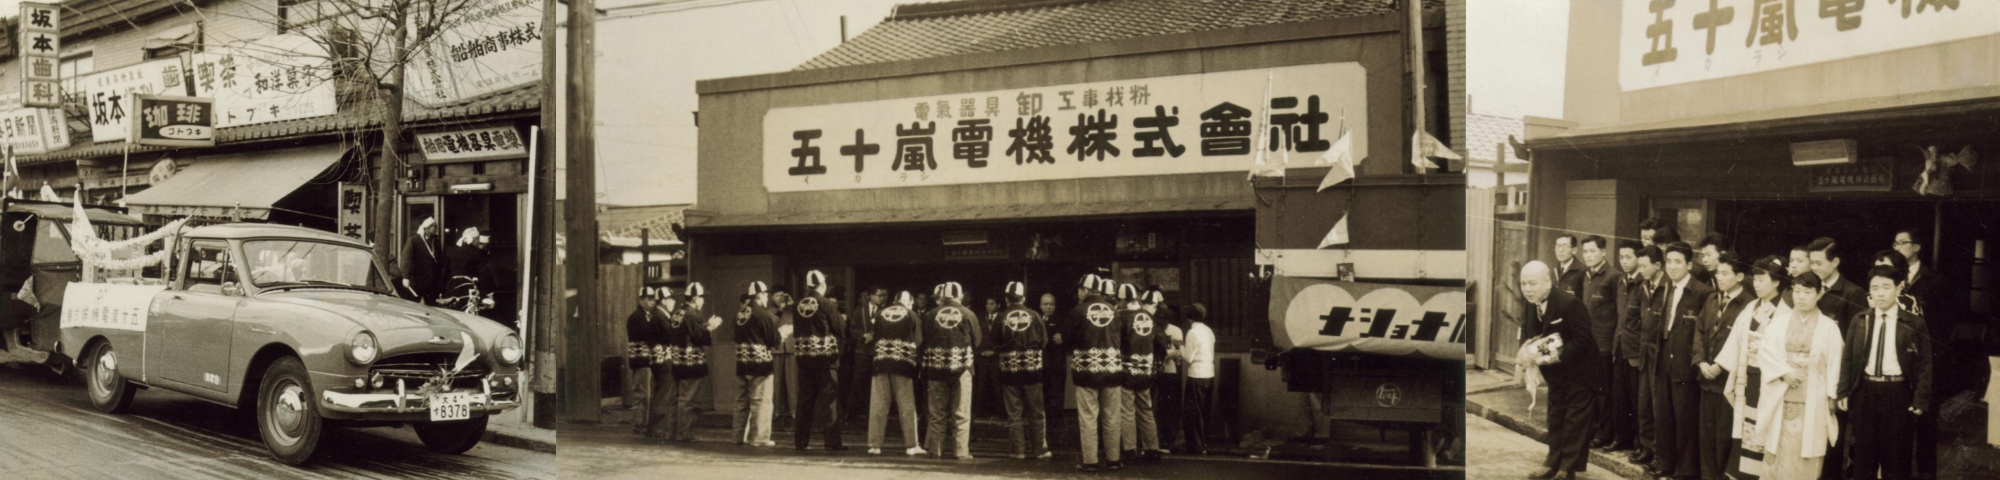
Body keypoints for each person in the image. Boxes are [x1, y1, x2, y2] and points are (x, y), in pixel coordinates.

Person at [1838, 265, 1933, 480]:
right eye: (1875, 288)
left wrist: (1920, 398)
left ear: (1899, 289)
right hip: (1865, 392)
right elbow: (1848, 359)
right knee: (1863, 457)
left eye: (1886, 287)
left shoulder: (1914, 323)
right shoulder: (1860, 320)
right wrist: (1843, 391)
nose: (1880, 293)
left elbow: (1925, 364)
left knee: (1897, 458)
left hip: (1897, 393)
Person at [1748, 271, 1844, 479]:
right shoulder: (1779, 323)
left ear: (1819, 294)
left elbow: (1836, 362)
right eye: (1797, 291)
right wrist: (1784, 372)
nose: (1801, 297)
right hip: (1780, 394)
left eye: (1807, 292)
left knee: (1807, 451)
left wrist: (1832, 395)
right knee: (1777, 449)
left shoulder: (1829, 327)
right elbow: (1765, 352)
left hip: (1814, 397)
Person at [1520, 260, 1597, 480]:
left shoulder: (1570, 304)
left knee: (1574, 421)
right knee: (1555, 417)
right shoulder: (1531, 303)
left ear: (1548, 282)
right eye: (1523, 284)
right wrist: (1527, 356)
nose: (1527, 289)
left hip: (1580, 372)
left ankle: (1567, 469)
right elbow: (1530, 334)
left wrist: (1556, 356)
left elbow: (1583, 339)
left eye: (1532, 283)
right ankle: (1552, 463)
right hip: (1555, 374)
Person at [1715, 256, 1791, 479]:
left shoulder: (1785, 312)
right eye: (1755, 280)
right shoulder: (1751, 307)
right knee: (1745, 427)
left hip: (1767, 379)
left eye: (1761, 279)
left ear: (1776, 282)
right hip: (1747, 376)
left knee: (1763, 427)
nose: (1756, 284)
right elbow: (1736, 341)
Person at [1654, 241, 1713, 480]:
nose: (1672, 266)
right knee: (1664, 415)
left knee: (1684, 420)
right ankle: (1665, 465)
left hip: (1686, 363)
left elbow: (1704, 332)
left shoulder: (1702, 292)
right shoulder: (1666, 286)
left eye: (1678, 262)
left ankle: (1685, 472)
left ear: (1689, 265)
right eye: (1668, 261)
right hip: (1663, 358)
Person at [1693, 253, 1752, 480]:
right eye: (1718, 273)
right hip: (1706, 378)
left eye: (1725, 273)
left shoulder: (1748, 305)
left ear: (1740, 276)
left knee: (1724, 438)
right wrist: (1700, 361)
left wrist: (1720, 366)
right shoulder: (1712, 299)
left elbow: (1743, 344)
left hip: (1728, 382)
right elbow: (1699, 330)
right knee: (1706, 437)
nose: (1719, 277)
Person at [1890, 229, 1941, 480]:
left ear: (1917, 246)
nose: (1898, 247)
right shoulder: (1886, 282)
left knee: (1925, 425)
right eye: (1895, 243)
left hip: (1923, 360)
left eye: (1903, 242)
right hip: (1895, 365)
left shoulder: (1933, 280)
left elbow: (1942, 325)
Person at [1068, 275, 1125, 471]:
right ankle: (1113, 460)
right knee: (1112, 417)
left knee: (1088, 417)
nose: (1078, 293)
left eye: (1079, 290)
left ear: (1085, 290)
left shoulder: (1078, 311)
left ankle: (1090, 461)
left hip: (1086, 372)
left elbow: (1068, 338)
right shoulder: (1114, 311)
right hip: (1112, 370)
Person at [993, 282, 1051, 460]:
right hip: (1033, 371)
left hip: (1009, 371)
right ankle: (1040, 450)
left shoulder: (1001, 317)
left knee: (1014, 413)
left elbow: (995, 342)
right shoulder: (1035, 315)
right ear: (1023, 298)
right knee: (1037, 411)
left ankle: (1018, 451)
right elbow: (1044, 340)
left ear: (1006, 299)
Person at [791, 271, 847, 451]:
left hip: (804, 360)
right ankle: (832, 442)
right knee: (829, 400)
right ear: (822, 285)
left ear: (808, 286)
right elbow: (840, 329)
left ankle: (800, 442)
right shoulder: (827, 303)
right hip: (825, 360)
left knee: (804, 401)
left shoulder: (797, 304)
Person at [922, 282, 978, 460]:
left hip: (936, 369)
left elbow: (923, 339)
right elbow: (977, 340)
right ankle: (960, 451)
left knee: (937, 413)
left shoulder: (930, 315)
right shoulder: (968, 314)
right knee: (961, 413)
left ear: (943, 296)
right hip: (962, 370)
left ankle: (936, 450)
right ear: (960, 296)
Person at [867, 291, 925, 456]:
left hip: (880, 364)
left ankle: (875, 445)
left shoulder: (880, 313)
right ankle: (911, 446)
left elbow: (871, 338)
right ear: (909, 302)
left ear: (895, 301)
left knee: (879, 405)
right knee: (906, 406)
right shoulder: (912, 315)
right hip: (902, 365)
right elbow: (919, 340)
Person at [1577, 236, 1621, 451]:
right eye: (1585, 251)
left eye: (1592, 251)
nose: (1588, 255)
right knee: (1591, 390)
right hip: (1588, 343)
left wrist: (1612, 346)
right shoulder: (1587, 276)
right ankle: (1593, 430)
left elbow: (1618, 313)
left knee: (1604, 392)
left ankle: (1604, 433)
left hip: (1604, 344)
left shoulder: (1613, 277)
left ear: (1603, 252)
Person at [1117, 285, 1169, 464]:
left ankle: (1130, 450)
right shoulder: (1147, 316)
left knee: (1127, 411)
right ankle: (1152, 449)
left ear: (1122, 300)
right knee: (1146, 410)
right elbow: (1161, 341)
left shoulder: (1121, 317)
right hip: (1145, 370)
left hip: (1126, 370)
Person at [658, 289, 719, 441]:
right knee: (689, 400)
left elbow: (689, 333)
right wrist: (710, 327)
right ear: (695, 298)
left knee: (676, 399)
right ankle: (684, 433)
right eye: (701, 298)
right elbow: (700, 338)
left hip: (678, 363)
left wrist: (704, 325)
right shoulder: (692, 315)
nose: (703, 301)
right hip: (692, 364)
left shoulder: (677, 314)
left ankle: (671, 432)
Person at [1608, 240, 1649, 455]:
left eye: (1628, 257)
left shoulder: (1643, 283)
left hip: (1635, 349)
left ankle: (1639, 442)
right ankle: (1621, 437)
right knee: (1619, 397)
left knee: (1637, 400)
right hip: (1620, 346)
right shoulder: (1621, 281)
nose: (1624, 261)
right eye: (1621, 257)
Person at [732, 282, 782, 447]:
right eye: (766, 294)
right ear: (760, 295)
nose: (767, 298)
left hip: (742, 363)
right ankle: (759, 438)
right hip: (761, 365)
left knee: (741, 402)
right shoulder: (763, 314)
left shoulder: (740, 313)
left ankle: (738, 436)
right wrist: (783, 334)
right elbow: (774, 341)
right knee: (761, 401)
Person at [1807, 237, 1868, 334]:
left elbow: (1857, 335)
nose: (1814, 268)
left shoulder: (1853, 293)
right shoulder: (1810, 287)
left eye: (1819, 263)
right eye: (1811, 263)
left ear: (1835, 262)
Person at [847, 286, 889, 429]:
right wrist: (863, 335)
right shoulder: (860, 310)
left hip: (878, 352)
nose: (882, 298)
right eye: (879, 295)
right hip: (862, 352)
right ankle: (851, 415)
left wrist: (875, 336)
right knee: (858, 382)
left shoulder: (886, 311)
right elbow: (853, 328)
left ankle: (873, 415)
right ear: (871, 296)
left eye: (884, 295)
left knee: (877, 384)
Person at [626, 287, 665, 435]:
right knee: (642, 394)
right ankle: (639, 424)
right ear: (640, 300)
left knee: (647, 393)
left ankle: (644, 423)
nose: (652, 301)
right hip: (641, 360)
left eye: (653, 298)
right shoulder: (636, 317)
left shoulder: (648, 315)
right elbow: (649, 335)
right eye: (648, 299)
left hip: (648, 360)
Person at [1178, 303, 1215, 456]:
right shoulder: (1208, 331)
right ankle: (1203, 444)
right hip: (1209, 374)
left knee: (1193, 413)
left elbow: (1188, 358)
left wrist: (1180, 346)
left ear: (1189, 317)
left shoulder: (1192, 333)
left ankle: (1196, 447)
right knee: (1204, 411)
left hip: (1196, 376)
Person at [1039, 292, 1068, 432]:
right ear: (1040, 306)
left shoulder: (1062, 321)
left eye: (1051, 304)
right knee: (1042, 394)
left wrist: (1062, 339)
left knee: (1056, 394)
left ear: (1055, 306)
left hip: (1056, 363)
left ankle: (1056, 425)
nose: (1048, 307)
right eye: (1045, 304)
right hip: (1041, 364)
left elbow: (1063, 339)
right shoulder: (1036, 319)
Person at [399, 216, 443, 304]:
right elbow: (406, 259)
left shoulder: (436, 242)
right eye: (434, 226)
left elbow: (440, 261)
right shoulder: (413, 240)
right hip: (416, 282)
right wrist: (405, 277)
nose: (436, 228)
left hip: (431, 284)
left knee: (433, 308)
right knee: (410, 306)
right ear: (427, 228)